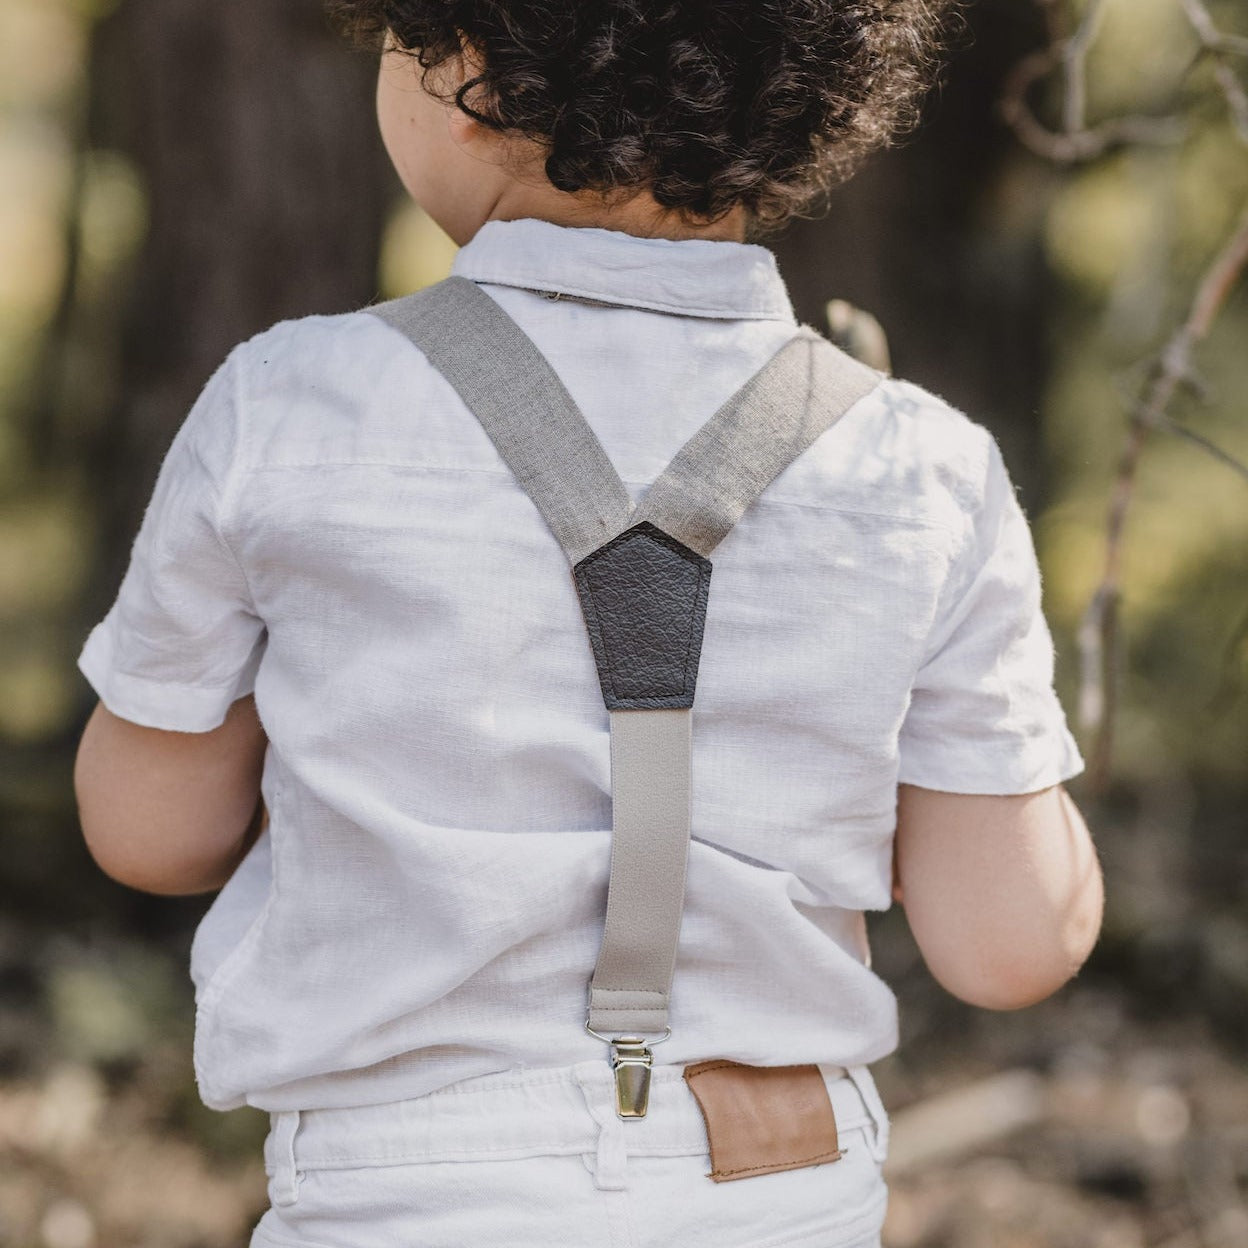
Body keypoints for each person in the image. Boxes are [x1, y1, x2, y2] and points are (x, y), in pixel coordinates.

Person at [72, 2, 1105, 1245]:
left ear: (463, 61)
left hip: (403, 1185)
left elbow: (149, 831)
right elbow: (1008, 945)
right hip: (778, 1183)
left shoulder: (290, 404)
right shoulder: (919, 467)